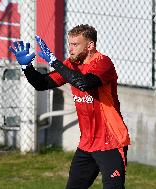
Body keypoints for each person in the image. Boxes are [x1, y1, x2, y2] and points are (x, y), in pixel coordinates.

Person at [9, 24, 130, 189]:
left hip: (111, 142)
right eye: (69, 44)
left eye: (75, 44)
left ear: (90, 45)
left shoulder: (103, 63)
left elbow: (84, 83)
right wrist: (27, 67)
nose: (70, 48)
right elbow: (41, 84)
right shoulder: (71, 64)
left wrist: (54, 62)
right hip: (87, 144)